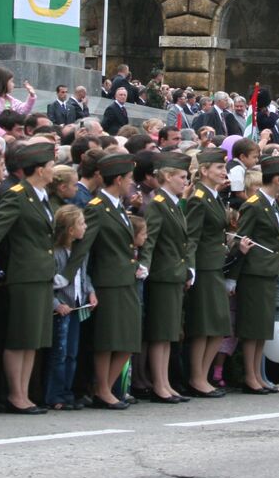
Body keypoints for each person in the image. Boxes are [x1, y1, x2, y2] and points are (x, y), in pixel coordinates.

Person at [0, 141, 58, 414]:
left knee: (34, 337)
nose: (54, 170)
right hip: (24, 274)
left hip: (41, 273)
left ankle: (25, 391)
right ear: (40, 169)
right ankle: (16, 394)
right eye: (51, 166)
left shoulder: (42, 196)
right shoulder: (18, 195)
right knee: (20, 335)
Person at [70, 151, 142, 409]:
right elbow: (83, 249)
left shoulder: (118, 206)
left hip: (125, 278)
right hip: (107, 280)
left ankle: (106, 387)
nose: (132, 183)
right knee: (109, 339)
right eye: (130, 178)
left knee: (128, 339)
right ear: (119, 179)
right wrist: (68, 279)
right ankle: (102, 388)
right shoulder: (97, 207)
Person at [229, 155, 279, 394]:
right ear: (276, 179)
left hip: (268, 270)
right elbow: (241, 240)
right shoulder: (254, 204)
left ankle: (258, 374)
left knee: (262, 327)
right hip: (254, 272)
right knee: (252, 327)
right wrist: (233, 277)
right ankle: (250, 375)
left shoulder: (271, 203)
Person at [140, 151, 193, 403]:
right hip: (162, 274)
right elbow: (150, 239)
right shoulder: (158, 203)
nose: (186, 181)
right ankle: (159, 384)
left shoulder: (172, 202)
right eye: (182, 176)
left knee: (169, 333)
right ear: (168, 176)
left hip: (174, 273)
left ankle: (165, 382)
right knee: (160, 333)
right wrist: (144, 266)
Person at [182, 148, 231, 397]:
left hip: (214, 265)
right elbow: (191, 237)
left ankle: (202, 374)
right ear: (204, 171)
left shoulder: (212, 195)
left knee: (217, 324)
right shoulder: (198, 198)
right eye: (219, 168)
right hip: (203, 267)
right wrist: (190, 268)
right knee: (204, 325)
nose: (224, 172)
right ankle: (197, 377)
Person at [48, 204, 94, 410]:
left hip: (77, 305)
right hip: (62, 309)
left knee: (72, 353)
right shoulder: (56, 253)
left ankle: (67, 392)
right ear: (70, 230)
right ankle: (55, 394)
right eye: (81, 223)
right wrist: (56, 304)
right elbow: (49, 283)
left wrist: (90, 292)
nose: (85, 227)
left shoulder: (79, 250)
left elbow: (84, 275)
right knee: (60, 352)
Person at [0, 66, 36, 137]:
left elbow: (23, 111)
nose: (13, 85)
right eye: (11, 81)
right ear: (2, 83)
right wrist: (4, 135)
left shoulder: (9, 99)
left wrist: (31, 96)